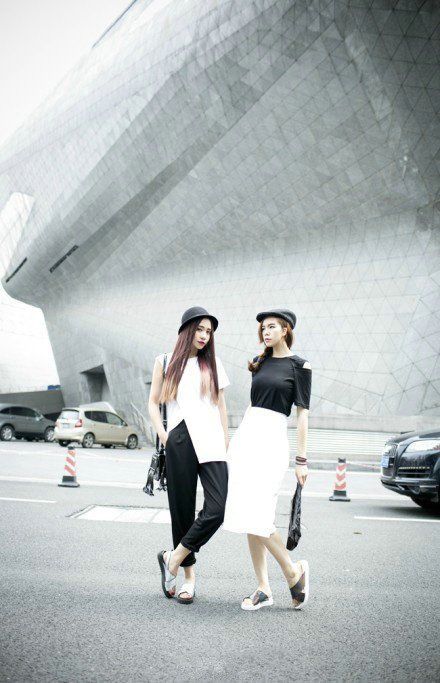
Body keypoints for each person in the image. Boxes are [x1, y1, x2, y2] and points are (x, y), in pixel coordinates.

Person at [223, 308, 312, 611]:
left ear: (285, 330)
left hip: (272, 440)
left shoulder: (300, 366)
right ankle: (263, 588)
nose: (266, 332)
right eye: (263, 328)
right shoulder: (259, 363)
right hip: (248, 436)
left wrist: (302, 460)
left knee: (260, 515)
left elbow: (302, 416)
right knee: (248, 513)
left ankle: (292, 571)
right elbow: (254, 407)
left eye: (271, 327)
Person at [148, 306, 230, 604]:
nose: (204, 336)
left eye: (209, 332)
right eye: (200, 329)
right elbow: (153, 402)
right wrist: (165, 435)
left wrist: (226, 442)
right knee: (182, 510)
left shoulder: (214, 364)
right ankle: (189, 579)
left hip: (212, 440)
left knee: (217, 509)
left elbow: (221, 406)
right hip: (180, 439)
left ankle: (173, 557)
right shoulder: (165, 361)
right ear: (187, 330)